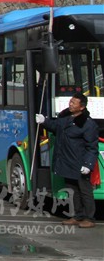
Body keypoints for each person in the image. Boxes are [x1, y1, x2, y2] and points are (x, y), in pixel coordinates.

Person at [36, 92, 98, 228]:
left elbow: (92, 147)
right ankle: (78, 215)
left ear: (81, 107)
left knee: (85, 191)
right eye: (70, 101)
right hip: (67, 161)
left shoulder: (88, 124)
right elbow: (55, 125)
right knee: (73, 190)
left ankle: (89, 218)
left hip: (80, 163)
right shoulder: (66, 119)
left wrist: (88, 164)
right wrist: (44, 121)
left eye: (74, 103)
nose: (70, 104)